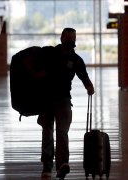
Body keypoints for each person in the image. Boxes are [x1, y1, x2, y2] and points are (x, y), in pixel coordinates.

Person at [37, 27, 95, 179]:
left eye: (73, 38)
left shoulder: (75, 59)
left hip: (63, 100)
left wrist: (89, 87)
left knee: (62, 132)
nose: (71, 40)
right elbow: (37, 69)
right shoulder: (49, 53)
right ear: (61, 38)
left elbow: (83, 75)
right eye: (68, 37)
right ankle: (47, 167)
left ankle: (62, 164)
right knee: (48, 132)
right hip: (46, 100)